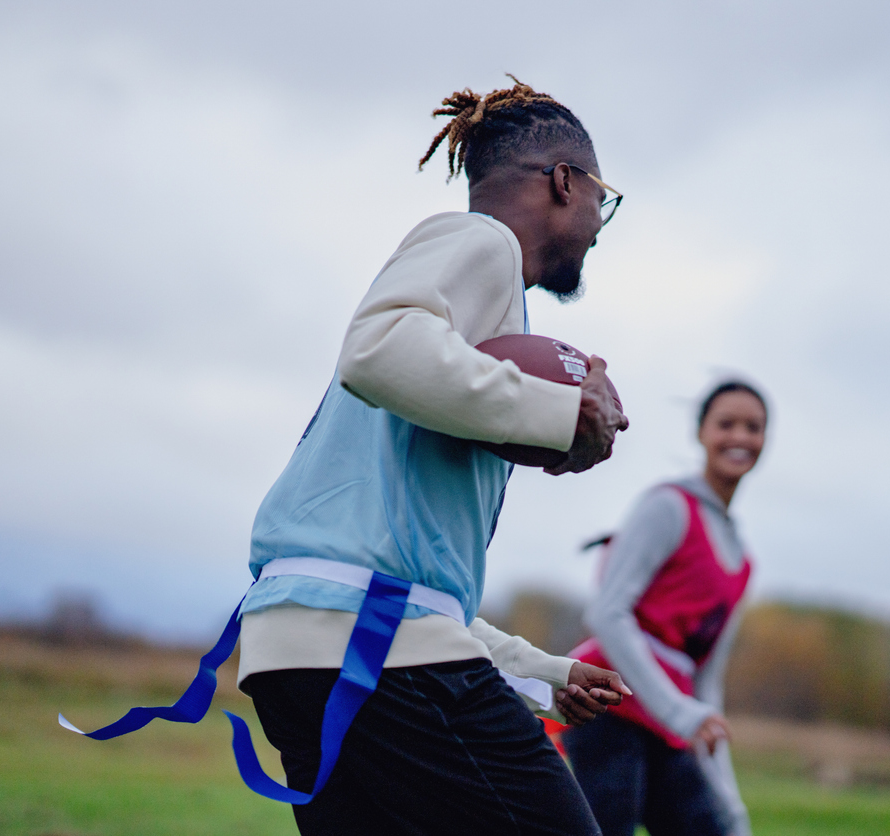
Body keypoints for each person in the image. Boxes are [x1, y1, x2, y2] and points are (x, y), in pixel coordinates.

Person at [237, 77, 631, 836]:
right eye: (600, 200)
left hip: (310, 643)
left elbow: (406, 588)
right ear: (563, 182)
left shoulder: (458, 358)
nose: (597, 224)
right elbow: (375, 349)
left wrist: (544, 673)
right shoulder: (479, 242)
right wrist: (558, 409)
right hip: (364, 645)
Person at [565, 381, 769, 836]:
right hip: (608, 706)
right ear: (702, 433)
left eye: (753, 427)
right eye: (726, 424)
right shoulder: (668, 507)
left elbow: (706, 680)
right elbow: (606, 613)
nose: (739, 437)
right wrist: (679, 713)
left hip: (666, 721)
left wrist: (729, 800)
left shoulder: (743, 561)